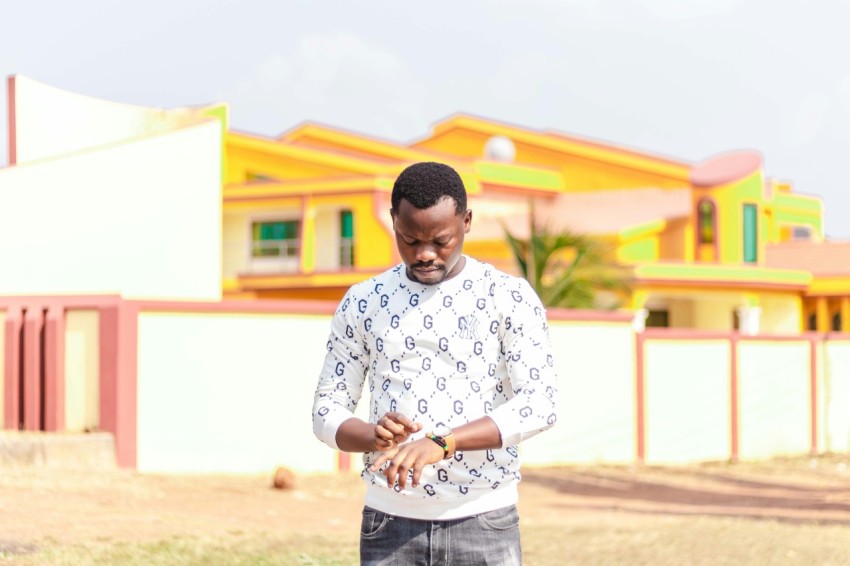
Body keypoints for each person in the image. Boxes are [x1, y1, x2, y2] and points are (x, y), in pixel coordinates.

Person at [312, 161, 558, 565]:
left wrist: (443, 443)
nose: (425, 254)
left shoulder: (508, 296)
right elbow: (326, 410)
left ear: (467, 221)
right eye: (409, 240)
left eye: (441, 241)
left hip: (484, 521)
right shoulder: (363, 301)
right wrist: (372, 436)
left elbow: (539, 405)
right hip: (389, 525)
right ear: (393, 221)